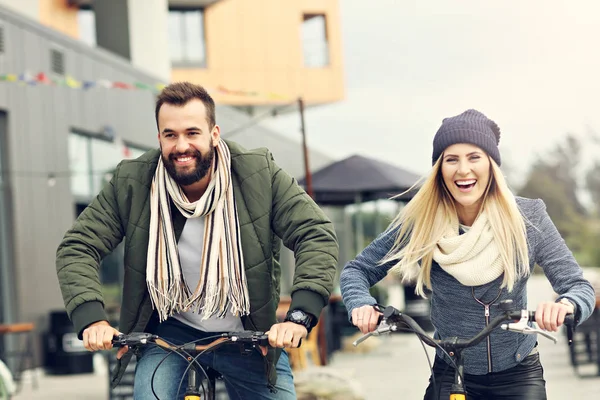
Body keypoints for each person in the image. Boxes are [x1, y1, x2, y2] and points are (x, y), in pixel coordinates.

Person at [55, 82, 339, 399]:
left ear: (213, 134)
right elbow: (78, 246)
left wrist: (300, 316)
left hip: (247, 334)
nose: (181, 146)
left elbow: (315, 234)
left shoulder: (259, 174)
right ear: (159, 138)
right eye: (170, 135)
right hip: (169, 333)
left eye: (192, 133)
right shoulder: (133, 182)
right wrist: (92, 319)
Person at [340, 109, 596, 400]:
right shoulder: (421, 221)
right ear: (439, 169)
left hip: (518, 373)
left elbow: (578, 286)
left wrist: (566, 304)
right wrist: (360, 303)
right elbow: (356, 271)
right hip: (450, 371)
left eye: (474, 157)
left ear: (491, 164)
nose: (463, 170)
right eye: (451, 159)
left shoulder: (527, 218)